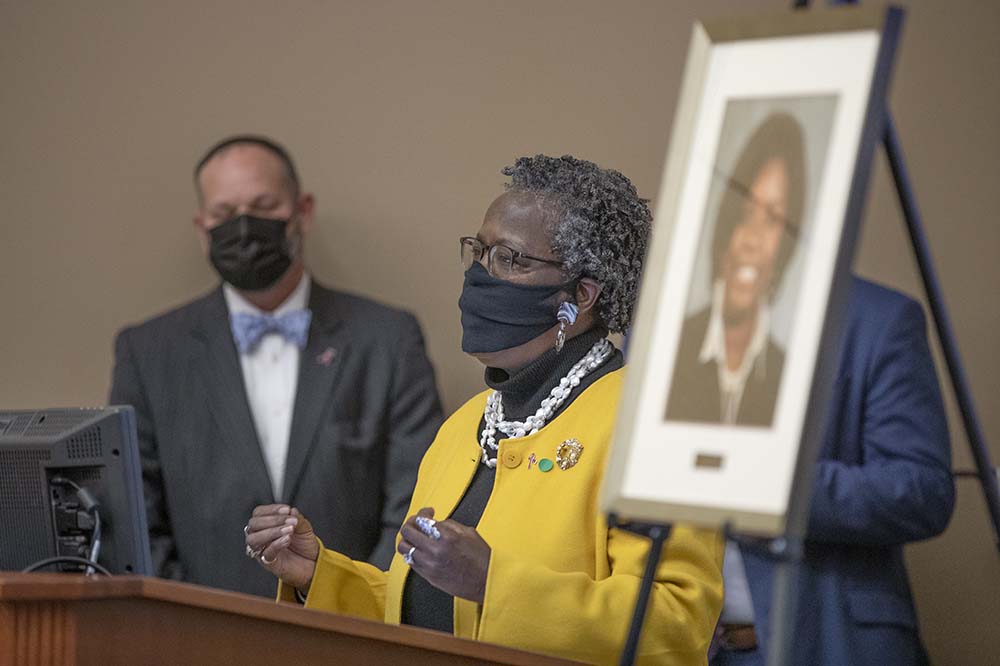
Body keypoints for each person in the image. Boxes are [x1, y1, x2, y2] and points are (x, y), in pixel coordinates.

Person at [245, 155, 724, 665]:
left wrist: (494, 583)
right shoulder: (464, 426)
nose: (481, 275)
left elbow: (675, 626)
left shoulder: (650, 425)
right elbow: (426, 612)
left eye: (511, 259)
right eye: (479, 251)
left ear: (581, 295)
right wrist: (320, 576)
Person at [110, 135, 443, 596]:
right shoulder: (147, 351)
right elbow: (135, 516)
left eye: (263, 205)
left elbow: (417, 498)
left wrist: (356, 605)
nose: (243, 227)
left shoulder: (388, 338)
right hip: (195, 638)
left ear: (302, 211)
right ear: (201, 225)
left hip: (354, 635)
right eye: (224, 214)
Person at [711, 280, 955, 666]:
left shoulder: (879, 317)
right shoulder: (668, 317)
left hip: (831, 639)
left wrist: (778, 492)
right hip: (693, 646)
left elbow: (923, 491)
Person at [665, 113, 806, 427]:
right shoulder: (667, 349)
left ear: (786, 245)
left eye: (772, 219)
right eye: (744, 214)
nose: (752, 240)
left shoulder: (792, 375)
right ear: (725, 227)